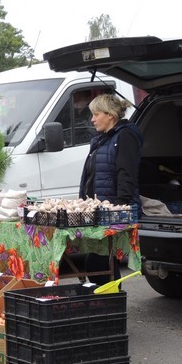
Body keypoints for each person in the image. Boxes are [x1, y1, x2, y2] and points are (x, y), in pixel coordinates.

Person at [78, 94, 142, 284]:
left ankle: (113, 300)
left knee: (100, 263)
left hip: (114, 211)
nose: (92, 119)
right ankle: (109, 300)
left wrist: (120, 205)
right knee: (98, 262)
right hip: (99, 210)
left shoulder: (125, 136)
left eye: (96, 114)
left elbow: (126, 173)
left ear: (110, 115)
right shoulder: (102, 139)